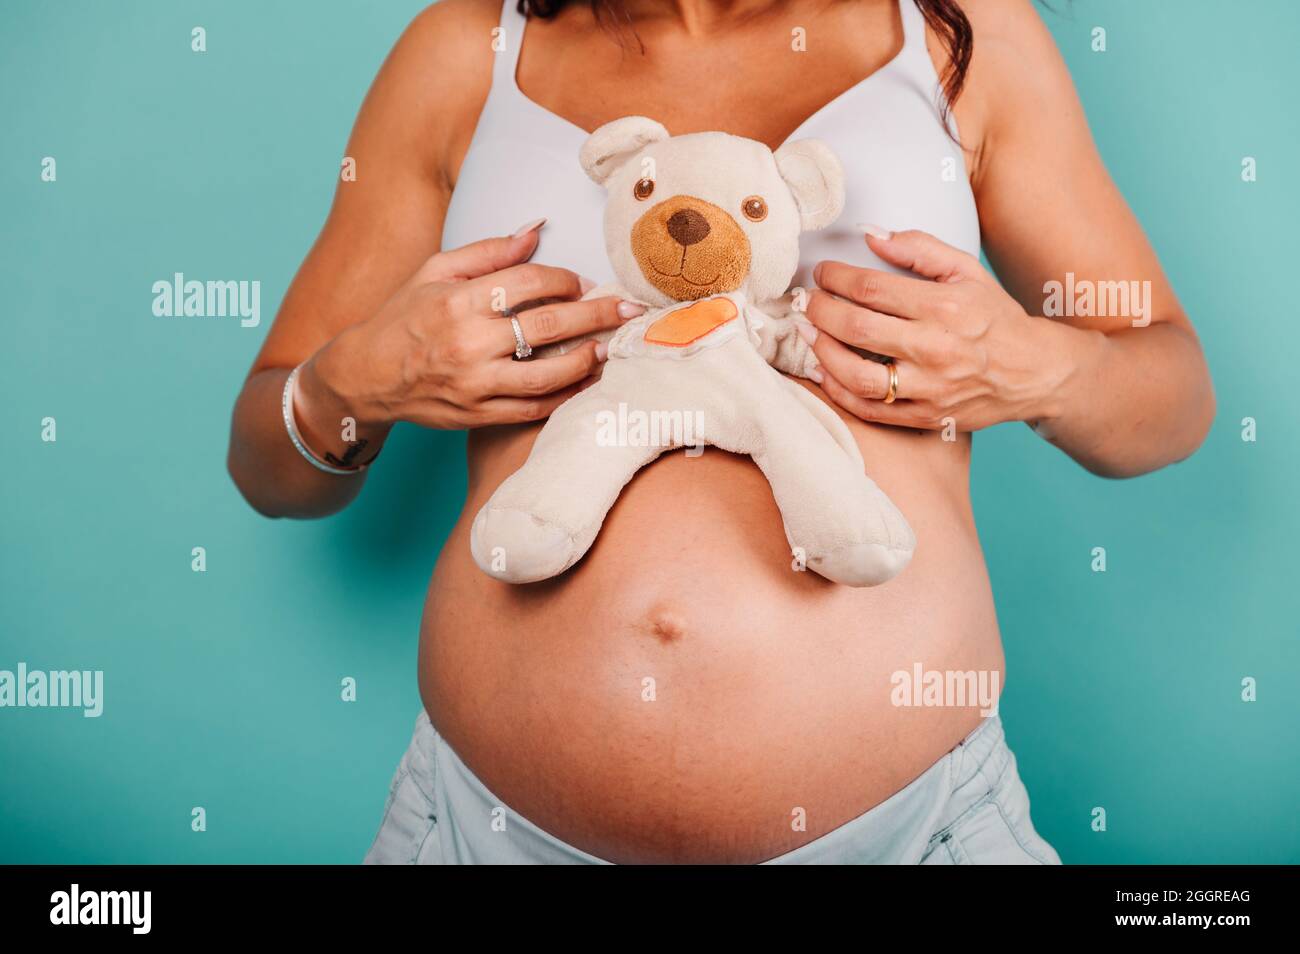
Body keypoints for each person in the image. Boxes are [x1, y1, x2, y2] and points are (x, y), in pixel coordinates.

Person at [227, 0, 1214, 864]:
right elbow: (268, 465)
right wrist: (349, 383)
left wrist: (1029, 366)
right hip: (479, 828)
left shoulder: (960, 39)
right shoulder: (466, 48)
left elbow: (1172, 397)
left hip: (914, 832)